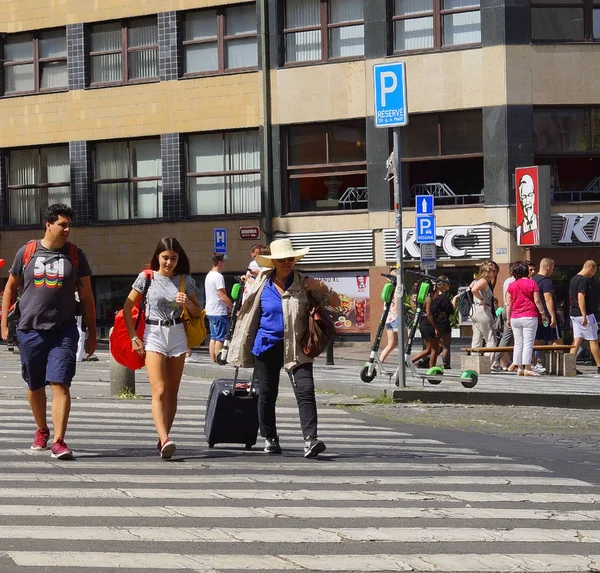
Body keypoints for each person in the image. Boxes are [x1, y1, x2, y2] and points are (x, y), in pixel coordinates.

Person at [227, 238, 341, 458]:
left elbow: (336, 303)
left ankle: (310, 440)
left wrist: (322, 288)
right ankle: (270, 438)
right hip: (267, 345)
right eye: (282, 260)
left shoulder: (304, 283)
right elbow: (246, 310)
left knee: (306, 391)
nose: (287, 263)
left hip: (298, 347)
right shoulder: (262, 283)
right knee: (268, 395)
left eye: (290, 259)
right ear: (273, 263)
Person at [0, 204, 97, 460]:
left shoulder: (75, 255)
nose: (67, 230)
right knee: (34, 385)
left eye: (69, 225)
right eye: (62, 225)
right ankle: (41, 429)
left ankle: (58, 440)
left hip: (63, 331)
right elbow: (10, 287)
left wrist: (93, 332)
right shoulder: (27, 251)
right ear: (48, 224)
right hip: (30, 329)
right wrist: (3, 323)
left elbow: (87, 296)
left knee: (60, 383)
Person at [123, 237, 202, 460]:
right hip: (153, 333)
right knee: (158, 390)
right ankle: (165, 438)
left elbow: (197, 312)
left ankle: (162, 439)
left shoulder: (185, 280)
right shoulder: (146, 277)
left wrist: (187, 302)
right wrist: (132, 337)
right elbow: (127, 307)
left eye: (173, 258)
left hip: (177, 334)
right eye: (165, 258)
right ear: (157, 257)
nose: (169, 263)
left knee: (172, 391)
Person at [506, 261, 549, 377]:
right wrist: (543, 314)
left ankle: (519, 367)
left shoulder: (511, 285)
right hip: (529, 316)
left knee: (518, 343)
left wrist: (507, 318)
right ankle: (528, 368)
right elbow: (537, 301)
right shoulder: (532, 283)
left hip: (515, 317)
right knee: (528, 343)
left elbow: (508, 304)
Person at [569, 260, 600, 375]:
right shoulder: (583, 280)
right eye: (594, 272)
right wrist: (584, 314)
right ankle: (599, 365)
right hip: (585, 314)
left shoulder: (573, 279)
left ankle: (569, 366)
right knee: (593, 340)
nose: (593, 275)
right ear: (590, 268)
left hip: (574, 313)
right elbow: (581, 297)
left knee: (577, 340)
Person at [205, 253, 233, 362]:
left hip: (210, 310)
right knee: (220, 338)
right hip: (218, 311)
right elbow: (222, 295)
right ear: (220, 262)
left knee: (213, 337)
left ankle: (213, 360)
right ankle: (219, 360)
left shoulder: (209, 275)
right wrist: (231, 307)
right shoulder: (218, 276)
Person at [491, 262, 517, 372]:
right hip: (510, 309)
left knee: (511, 339)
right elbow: (510, 299)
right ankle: (496, 360)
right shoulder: (513, 282)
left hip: (508, 309)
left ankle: (510, 361)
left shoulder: (508, 281)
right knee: (507, 337)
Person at [469, 262, 497, 352]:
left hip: (474, 310)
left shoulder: (475, 281)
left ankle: (475, 362)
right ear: (487, 272)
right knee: (491, 338)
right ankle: (490, 363)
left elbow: (469, 289)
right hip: (483, 310)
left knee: (477, 338)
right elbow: (474, 290)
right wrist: (482, 299)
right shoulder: (483, 281)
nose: (495, 273)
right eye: (493, 271)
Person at [533, 257, 559, 352]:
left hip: (536, 315)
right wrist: (553, 316)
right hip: (547, 316)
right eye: (552, 268)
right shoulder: (546, 282)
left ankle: (533, 361)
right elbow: (548, 299)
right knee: (553, 339)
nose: (552, 270)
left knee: (537, 339)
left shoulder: (533, 280)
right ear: (548, 268)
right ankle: (556, 363)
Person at [380, 269, 399, 364]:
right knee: (406, 343)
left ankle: (379, 362)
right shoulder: (397, 289)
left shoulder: (387, 288)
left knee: (390, 345)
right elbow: (396, 305)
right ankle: (403, 365)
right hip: (396, 318)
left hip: (388, 319)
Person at [517, 174, 539, 245]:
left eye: (530, 195)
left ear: (534, 197)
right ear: (520, 200)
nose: (527, 202)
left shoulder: (541, 224)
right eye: (524, 197)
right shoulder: (519, 230)